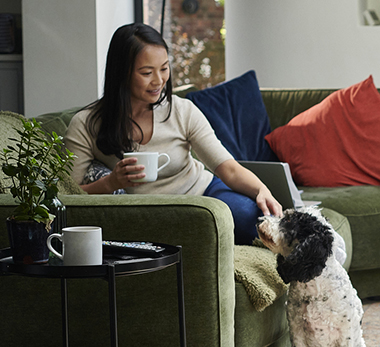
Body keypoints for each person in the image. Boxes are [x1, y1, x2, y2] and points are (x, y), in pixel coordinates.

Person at [64, 23, 281, 245]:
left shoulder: (181, 110)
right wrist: (110, 183)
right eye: (147, 72)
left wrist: (261, 190)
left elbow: (228, 168)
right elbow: (68, 197)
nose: (158, 80)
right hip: (149, 214)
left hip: (203, 194)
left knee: (249, 217)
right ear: (122, 72)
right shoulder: (87, 124)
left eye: (164, 68)